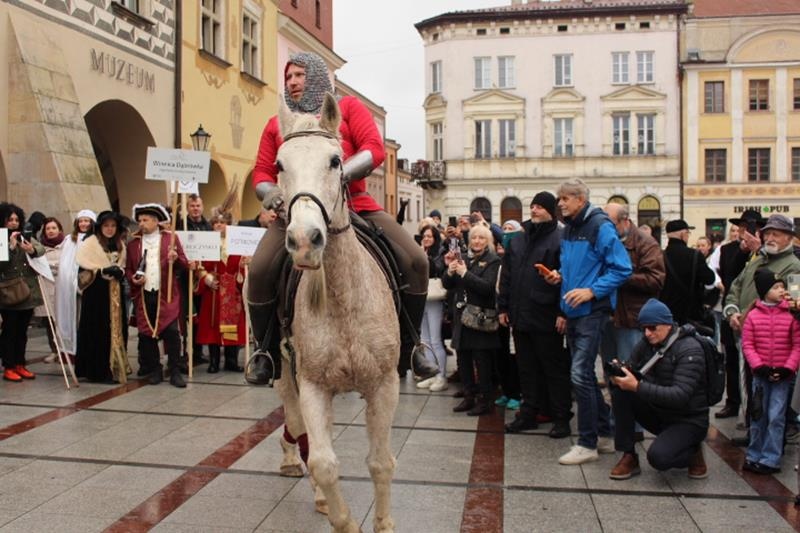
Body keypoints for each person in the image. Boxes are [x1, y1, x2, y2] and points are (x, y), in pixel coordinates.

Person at [249, 51, 436, 381]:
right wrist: (271, 193)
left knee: (416, 260)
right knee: (260, 268)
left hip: (355, 205)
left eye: (299, 75)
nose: (292, 81)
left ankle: (412, 344)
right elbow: (262, 172)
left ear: (317, 76)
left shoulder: (347, 108)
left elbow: (373, 148)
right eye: (288, 76)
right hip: (295, 211)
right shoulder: (276, 123)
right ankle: (265, 351)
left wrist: (339, 175)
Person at [546, 179, 632, 465]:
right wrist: (559, 276)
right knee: (584, 376)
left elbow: (622, 268)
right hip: (573, 311)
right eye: (559, 198)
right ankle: (604, 434)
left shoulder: (600, 226)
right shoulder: (570, 227)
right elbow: (576, 267)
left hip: (592, 311)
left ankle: (587, 443)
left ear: (580, 200)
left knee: (580, 374)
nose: (560, 203)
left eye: (565, 198)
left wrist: (591, 291)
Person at [607, 299, 710, 480]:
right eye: (643, 328)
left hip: (688, 419)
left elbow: (680, 395)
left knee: (659, 459)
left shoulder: (690, 349)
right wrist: (619, 374)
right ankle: (628, 455)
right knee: (622, 392)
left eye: (652, 328)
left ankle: (693, 451)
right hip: (660, 411)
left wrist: (637, 386)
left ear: (667, 324)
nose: (648, 333)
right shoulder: (646, 344)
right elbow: (632, 370)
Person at [498, 192, 572, 437]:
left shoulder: (561, 238)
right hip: (519, 315)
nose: (534, 210)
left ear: (551, 210)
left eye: (540, 206)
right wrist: (503, 307)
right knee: (526, 369)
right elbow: (507, 276)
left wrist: (563, 312)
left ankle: (561, 417)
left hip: (547, 315)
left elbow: (568, 278)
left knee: (553, 370)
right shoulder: (519, 239)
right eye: (532, 206)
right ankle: (528, 414)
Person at [724, 215, 800, 444]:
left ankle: (774, 438)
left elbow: (794, 304)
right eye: (767, 233)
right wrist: (732, 312)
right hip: (747, 335)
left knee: (775, 394)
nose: (770, 238)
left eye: (776, 234)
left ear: (789, 238)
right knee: (750, 387)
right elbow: (735, 287)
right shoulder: (757, 259)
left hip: (776, 342)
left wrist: (752, 314)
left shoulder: (794, 266)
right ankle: (755, 432)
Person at [741, 270, 800, 474]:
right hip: (761, 375)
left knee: (776, 416)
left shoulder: (791, 316)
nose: (781, 290)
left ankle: (771, 458)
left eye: (782, 286)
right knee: (758, 415)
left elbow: (797, 345)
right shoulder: (753, 316)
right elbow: (748, 345)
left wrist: (787, 368)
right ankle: (754, 454)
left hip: (783, 376)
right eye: (776, 287)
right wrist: (759, 367)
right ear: (764, 291)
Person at [126, 203, 189, 388]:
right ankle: (155, 369)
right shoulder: (133, 244)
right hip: (144, 294)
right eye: (140, 220)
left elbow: (184, 263)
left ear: (155, 221)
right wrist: (133, 279)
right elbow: (128, 269)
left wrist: (175, 258)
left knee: (172, 333)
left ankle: (175, 370)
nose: (141, 224)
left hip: (167, 294)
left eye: (145, 220)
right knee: (146, 334)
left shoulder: (171, 238)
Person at [443, 223, 501, 416]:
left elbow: (487, 288)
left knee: (482, 362)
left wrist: (465, 274)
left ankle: (485, 401)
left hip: (480, 319)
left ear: (488, 241)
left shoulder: (493, 261)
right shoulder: (463, 258)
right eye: (474, 238)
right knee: (463, 359)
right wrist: (450, 271)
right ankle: (468, 396)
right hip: (462, 318)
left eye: (481, 238)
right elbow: (448, 284)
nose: (477, 241)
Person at [711, 211, 763, 419]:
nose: (745, 231)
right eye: (742, 227)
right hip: (731, 310)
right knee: (731, 359)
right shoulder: (727, 249)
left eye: (750, 227)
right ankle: (733, 401)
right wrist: (742, 251)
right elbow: (730, 277)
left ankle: (753, 407)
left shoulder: (764, 250)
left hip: (756, 313)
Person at [75, 211, 129, 383]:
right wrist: (101, 271)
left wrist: (120, 272)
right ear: (99, 227)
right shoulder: (90, 244)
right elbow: (83, 272)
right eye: (106, 225)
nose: (110, 229)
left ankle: (115, 367)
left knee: (117, 329)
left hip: (115, 294)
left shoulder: (120, 244)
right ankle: (98, 370)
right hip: (96, 296)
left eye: (113, 226)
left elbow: (123, 265)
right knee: (98, 331)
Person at [196, 200, 247, 373]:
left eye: (223, 222)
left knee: (232, 325)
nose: (219, 225)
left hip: (232, 292)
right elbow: (199, 266)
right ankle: (214, 361)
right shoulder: (206, 243)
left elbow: (241, 267)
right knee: (213, 327)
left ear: (229, 225)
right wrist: (207, 279)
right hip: (214, 291)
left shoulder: (238, 243)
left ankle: (231, 361)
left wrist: (243, 267)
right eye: (216, 222)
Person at [0, 203, 45, 382]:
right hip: (9, 292)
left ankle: (20, 363)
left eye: (16, 219)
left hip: (27, 291)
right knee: (9, 331)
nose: (13, 223)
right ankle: (9, 366)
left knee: (22, 332)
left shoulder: (24, 235)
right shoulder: (1, 238)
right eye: (9, 220)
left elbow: (40, 249)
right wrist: (10, 248)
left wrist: (31, 249)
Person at [55, 209, 96, 360]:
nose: (83, 224)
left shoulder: (96, 239)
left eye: (87, 221)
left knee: (87, 320)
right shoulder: (69, 240)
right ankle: (72, 352)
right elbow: (65, 263)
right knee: (73, 318)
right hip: (70, 287)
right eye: (81, 221)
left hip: (89, 286)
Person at [661, 219, 715, 327]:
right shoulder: (694, 255)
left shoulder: (661, 256)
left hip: (666, 312)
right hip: (690, 313)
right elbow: (710, 279)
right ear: (683, 234)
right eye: (688, 233)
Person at [415, 224, 448, 392]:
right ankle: (431, 374)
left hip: (435, 299)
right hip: (422, 298)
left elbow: (437, 269)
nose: (426, 239)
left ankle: (441, 377)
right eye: (424, 236)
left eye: (430, 236)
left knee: (435, 340)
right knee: (425, 341)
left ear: (435, 238)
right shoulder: (420, 251)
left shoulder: (440, 252)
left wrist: (423, 256)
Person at [35, 217, 65, 362]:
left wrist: (50, 266)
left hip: (63, 288)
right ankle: (54, 350)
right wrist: (54, 266)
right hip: (47, 289)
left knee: (64, 320)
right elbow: (39, 267)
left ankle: (67, 351)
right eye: (48, 228)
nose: (51, 231)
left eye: (54, 228)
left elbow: (66, 266)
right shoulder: (39, 249)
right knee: (50, 323)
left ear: (59, 230)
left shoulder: (67, 246)